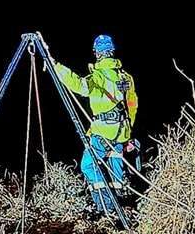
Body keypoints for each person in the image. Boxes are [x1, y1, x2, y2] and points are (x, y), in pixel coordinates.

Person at [54, 34, 138, 215]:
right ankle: (121, 201)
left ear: (97, 53)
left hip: (103, 132)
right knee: (116, 163)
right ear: (112, 51)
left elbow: (79, 85)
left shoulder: (98, 77)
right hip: (121, 131)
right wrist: (128, 133)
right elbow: (132, 105)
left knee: (89, 165)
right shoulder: (126, 78)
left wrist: (56, 67)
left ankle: (106, 207)